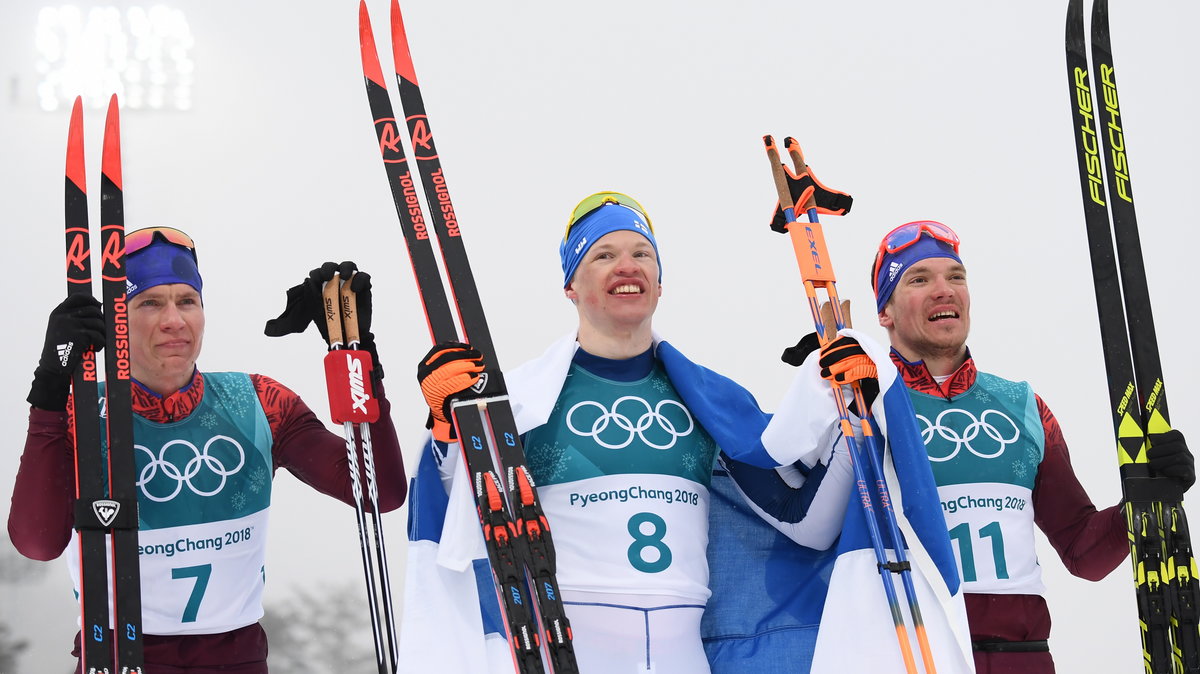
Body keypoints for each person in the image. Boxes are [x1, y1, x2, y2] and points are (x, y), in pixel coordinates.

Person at [396, 193, 970, 673]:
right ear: (570, 285)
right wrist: (449, 429)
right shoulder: (521, 399)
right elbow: (461, 526)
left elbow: (808, 524)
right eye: (603, 255)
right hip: (565, 648)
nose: (628, 266)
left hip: (681, 655)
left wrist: (849, 414)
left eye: (642, 253)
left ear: (660, 282)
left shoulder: (708, 400)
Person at [8, 228, 407, 673]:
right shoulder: (80, 413)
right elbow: (38, 543)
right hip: (121, 655)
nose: (174, 320)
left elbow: (380, 491)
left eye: (187, 301)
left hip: (235, 659)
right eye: (150, 302)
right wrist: (48, 389)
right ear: (116, 319)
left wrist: (353, 355)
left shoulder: (259, 402)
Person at [866, 219, 1195, 672]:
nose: (944, 290)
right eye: (919, 279)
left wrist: (1143, 500)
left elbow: (1084, 553)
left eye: (955, 277)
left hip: (1020, 660)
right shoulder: (863, 407)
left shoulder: (1022, 406)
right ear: (885, 311)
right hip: (912, 655)